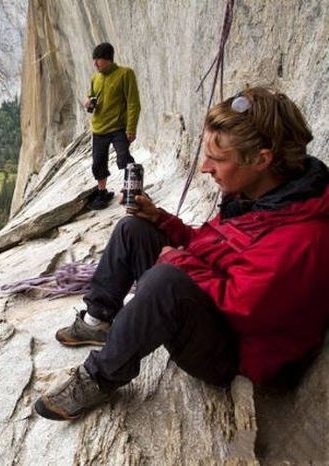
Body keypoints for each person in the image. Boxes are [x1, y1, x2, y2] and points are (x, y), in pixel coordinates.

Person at [34, 87, 329, 421]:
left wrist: (177, 261)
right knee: (135, 230)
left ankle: (99, 377)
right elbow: (215, 248)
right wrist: (163, 222)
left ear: (262, 159)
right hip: (219, 317)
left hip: (238, 353)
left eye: (217, 159)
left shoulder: (301, 235)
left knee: (165, 282)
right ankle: (97, 320)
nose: (205, 168)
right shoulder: (263, 195)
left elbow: (244, 307)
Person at [84, 42, 141, 210]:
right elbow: (91, 98)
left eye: (98, 60)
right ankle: (102, 192)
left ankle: (132, 189)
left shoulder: (125, 74)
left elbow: (133, 103)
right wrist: (88, 104)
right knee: (98, 163)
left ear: (108, 59)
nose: (95, 64)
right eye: (94, 60)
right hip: (99, 128)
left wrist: (131, 128)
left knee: (124, 158)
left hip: (118, 127)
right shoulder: (95, 78)